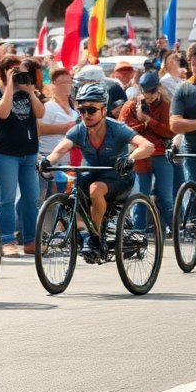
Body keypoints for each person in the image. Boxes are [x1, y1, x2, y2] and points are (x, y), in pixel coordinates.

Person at [41, 83, 154, 261]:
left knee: (95, 189)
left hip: (119, 176)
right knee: (74, 194)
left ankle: (94, 237)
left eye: (91, 110)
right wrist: (47, 161)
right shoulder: (80, 129)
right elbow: (61, 150)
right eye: (82, 110)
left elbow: (147, 146)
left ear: (104, 109)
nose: (86, 115)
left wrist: (131, 158)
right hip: (91, 174)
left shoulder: (117, 128)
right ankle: (86, 235)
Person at [0, 57, 43, 255]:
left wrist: (30, 92)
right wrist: (10, 86)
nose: (17, 74)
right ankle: (6, 241)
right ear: (2, 72)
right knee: (7, 198)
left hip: (29, 152)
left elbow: (40, 113)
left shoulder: (26, 90)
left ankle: (30, 241)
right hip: (5, 153)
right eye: (12, 70)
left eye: (19, 70)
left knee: (31, 197)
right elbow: (2, 113)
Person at [118, 72, 176, 232]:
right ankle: (138, 234)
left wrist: (149, 121)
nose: (148, 95)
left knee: (166, 197)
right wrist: (143, 124)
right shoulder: (130, 105)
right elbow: (122, 130)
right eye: (145, 91)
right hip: (140, 156)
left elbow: (170, 132)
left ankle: (174, 231)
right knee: (140, 197)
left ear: (158, 89)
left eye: (152, 91)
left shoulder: (166, 105)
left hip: (161, 154)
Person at [170, 42, 196, 252]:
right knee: (194, 192)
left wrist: (190, 124)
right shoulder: (183, 90)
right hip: (193, 150)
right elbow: (175, 124)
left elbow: (182, 123)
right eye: (194, 63)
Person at [38, 68, 80, 198]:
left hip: (70, 162)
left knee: (65, 201)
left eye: (69, 81)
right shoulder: (48, 107)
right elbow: (39, 129)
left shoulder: (73, 108)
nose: (66, 86)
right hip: (51, 160)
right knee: (49, 199)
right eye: (62, 82)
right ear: (53, 84)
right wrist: (67, 128)